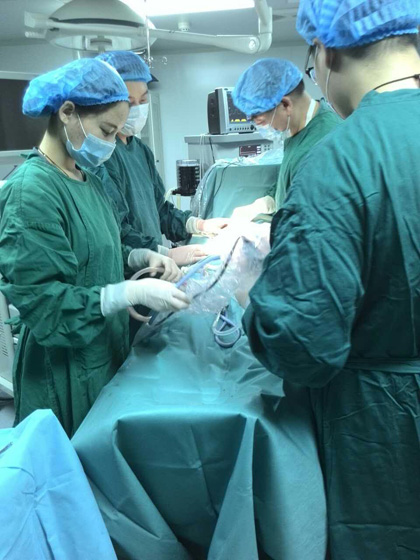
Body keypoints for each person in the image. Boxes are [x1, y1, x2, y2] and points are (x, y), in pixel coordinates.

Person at [242, 1, 420, 558]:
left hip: (383, 434)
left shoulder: (340, 161)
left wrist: (255, 307)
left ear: (327, 50)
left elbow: (303, 345)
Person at [0, 58, 190, 437]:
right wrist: (126, 293)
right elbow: (45, 303)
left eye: (116, 132)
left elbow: (101, 250)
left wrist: (137, 257)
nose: (111, 143)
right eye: (106, 130)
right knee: (71, 466)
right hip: (64, 372)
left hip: (104, 351)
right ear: (67, 112)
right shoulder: (30, 192)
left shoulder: (88, 179)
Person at [93, 50, 230, 266]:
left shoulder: (141, 150)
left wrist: (199, 225)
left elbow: (160, 210)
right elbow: (117, 230)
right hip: (131, 269)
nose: (138, 109)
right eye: (129, 102)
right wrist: (164, 254)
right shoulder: (104, 156)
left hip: (154, 266)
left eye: (143, 100)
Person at [232, 58, 341, 214]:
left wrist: (267, 228)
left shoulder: (323, 145)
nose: (266, 128)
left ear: (285, 105)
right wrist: (268, 201)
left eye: (263, 122)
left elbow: (315, 218)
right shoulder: (299, 130)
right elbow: (290, 185)